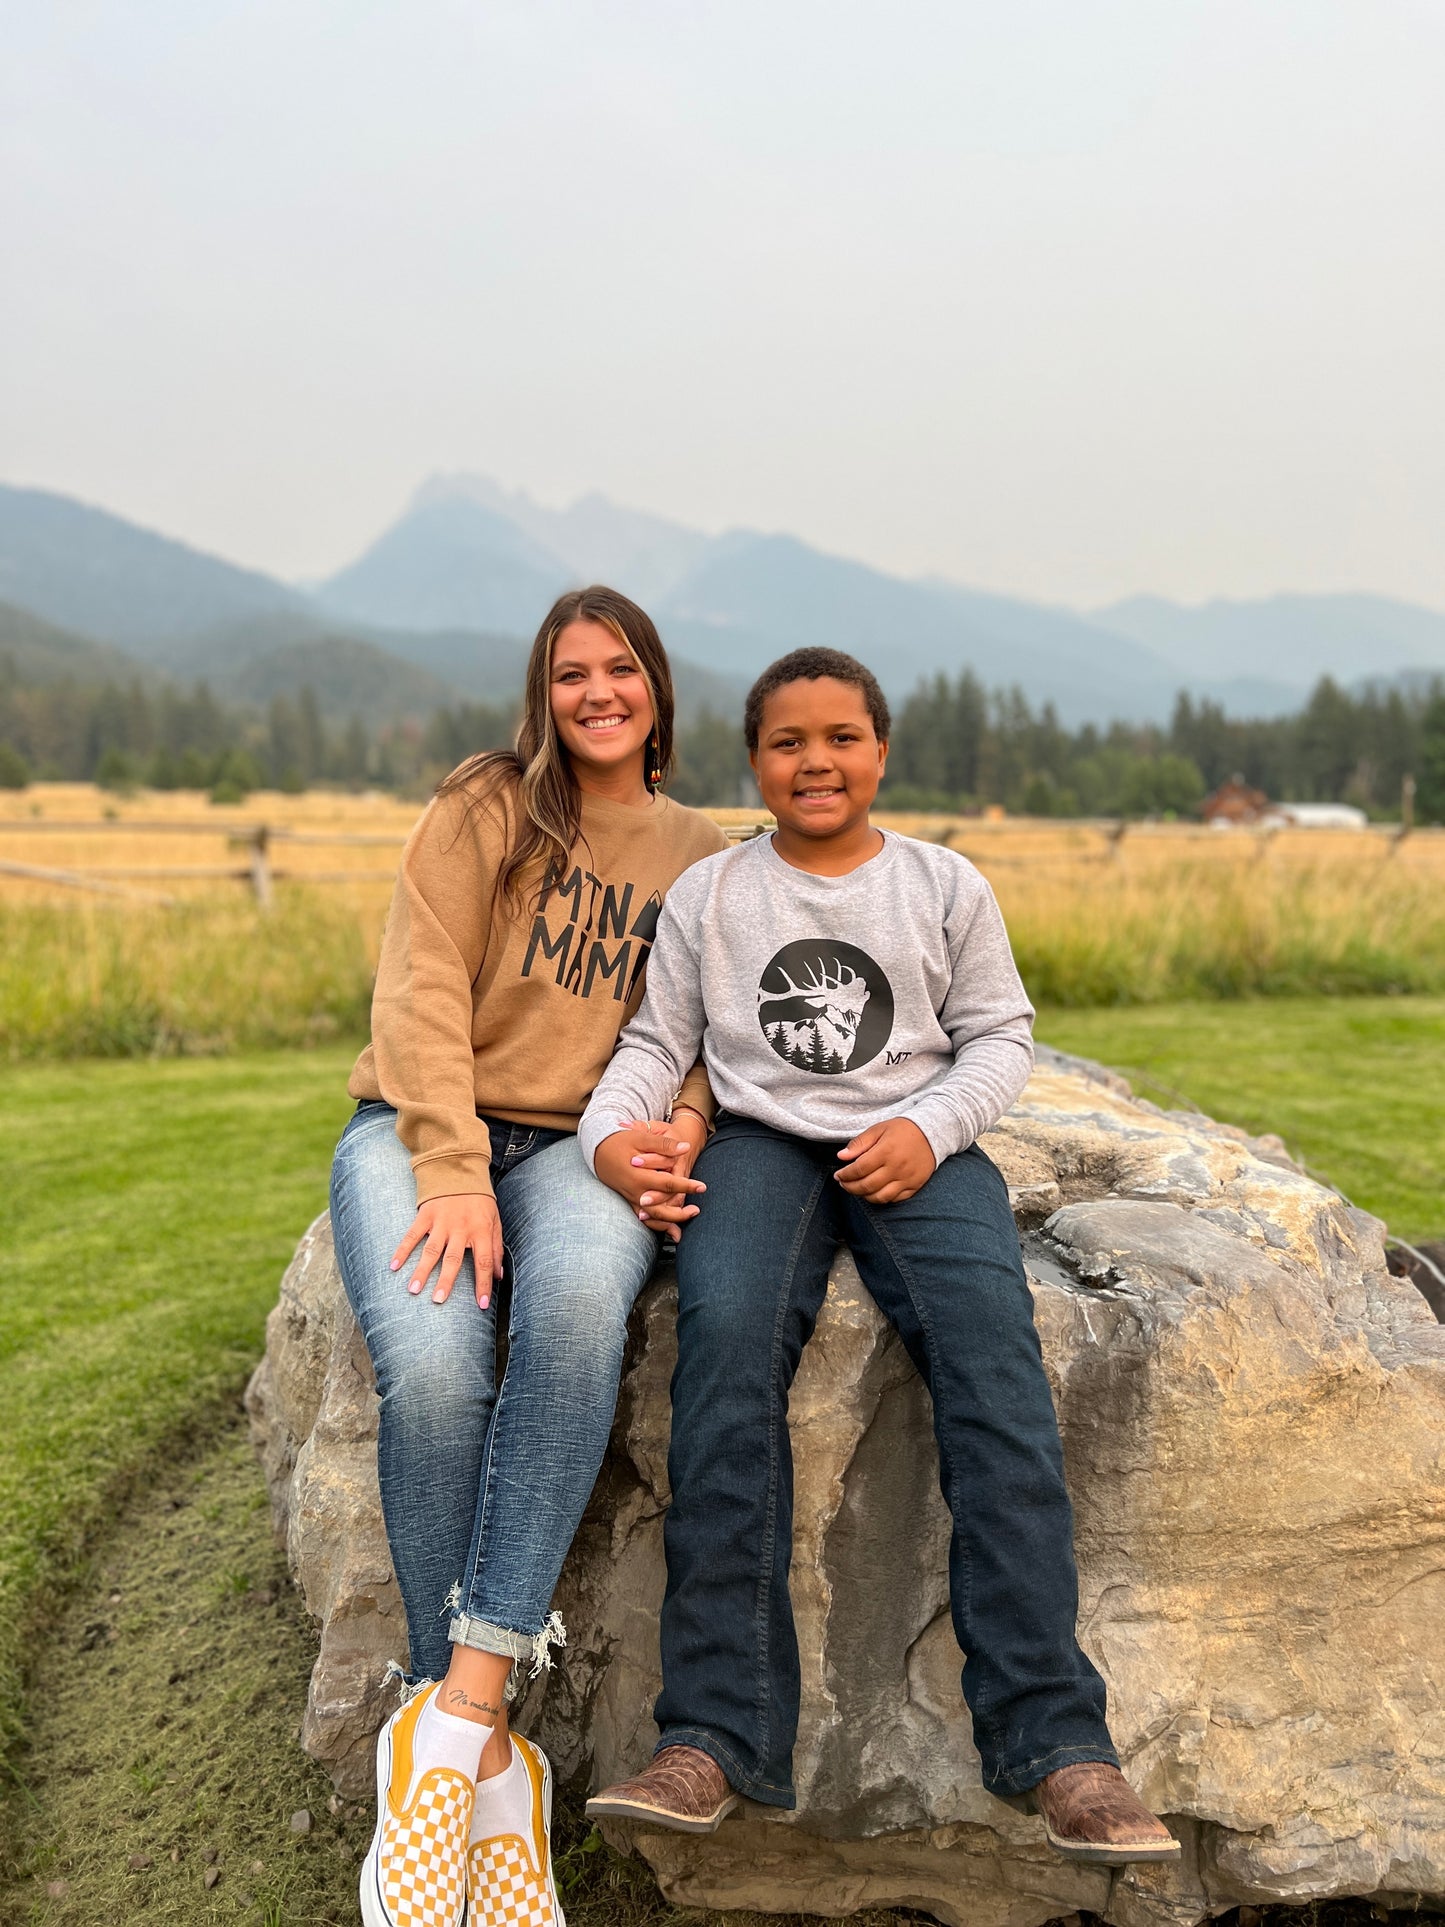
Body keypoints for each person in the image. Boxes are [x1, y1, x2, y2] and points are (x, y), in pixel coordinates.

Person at [577, 646, 1180, 1865]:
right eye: (787, 741)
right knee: (724, 1349)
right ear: (754, 762)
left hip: (916, 1148)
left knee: (992, 1362)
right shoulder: (712, 894)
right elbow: (655, 1042)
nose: (816, 761)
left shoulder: (941, 884)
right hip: (759, 1148)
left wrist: (930, 1127)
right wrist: (607, 1142)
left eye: (840, 737)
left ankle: (1058, 1742)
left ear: (880, 751)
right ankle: (711, 1735)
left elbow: (998, 1036)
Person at [330, 586, 729, 1927]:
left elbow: (703, 1035)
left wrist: (676, 1129)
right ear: (542, 693)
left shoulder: (700, 852)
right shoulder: (486, 803)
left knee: (571, 1308)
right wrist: (451, 1168)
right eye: (571, 672)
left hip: (579, 1149)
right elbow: (417, 988)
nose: (597, 691)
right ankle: (489, 1763)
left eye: (621, 668)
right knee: (438, 1365)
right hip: (416, 1126)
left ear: (656, 689)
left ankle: (449, 1723)